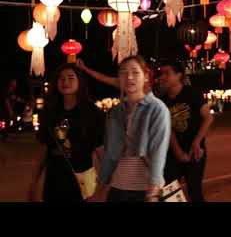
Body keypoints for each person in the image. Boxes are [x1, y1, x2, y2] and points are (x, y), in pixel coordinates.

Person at [92, 55, 171, 202]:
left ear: (146, 76)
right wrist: (100, 187)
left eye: (135, 72)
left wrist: (154, 188)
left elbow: (158, 151)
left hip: (144, 189)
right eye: (123, 72)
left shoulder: (157, 109)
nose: (129, 77)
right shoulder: (116, 111)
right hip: (118, 188)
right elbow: (110, 154)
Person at [27, 64, 105, 202]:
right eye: (61, 79)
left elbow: (100, 150)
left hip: (83, 177)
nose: (65, 82)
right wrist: (34, 181)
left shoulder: (92, 112)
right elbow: (44, 148)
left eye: (71, 78)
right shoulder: (50, 111)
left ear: (79, 82)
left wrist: (102, 185)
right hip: (54, 178)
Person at [158, 60, 214, 202]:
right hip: (172, 154)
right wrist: (178, 152)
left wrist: (196, 143)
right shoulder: (162, 101)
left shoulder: (192, 93)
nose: (163, 77)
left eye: (167, 73)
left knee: (194, 193)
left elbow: (208, 118)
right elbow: (168, 129)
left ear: (179, 75)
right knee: (169, 193)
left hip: (195, 153)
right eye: (161, 73)